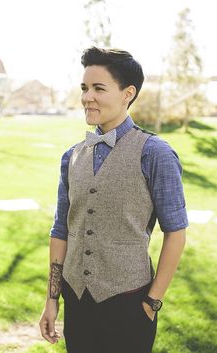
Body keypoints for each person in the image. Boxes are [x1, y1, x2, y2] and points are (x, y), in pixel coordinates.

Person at [39, 47, 188, 353]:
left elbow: (175, 231)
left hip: (130, 304)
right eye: (84, 88)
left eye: (98, 88)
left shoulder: (155, 153)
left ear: (127, 93)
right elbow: (60, 230)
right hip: (76, 299)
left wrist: (152, 301)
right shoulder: (72, 157)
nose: (87, 97)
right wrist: (52, 299)